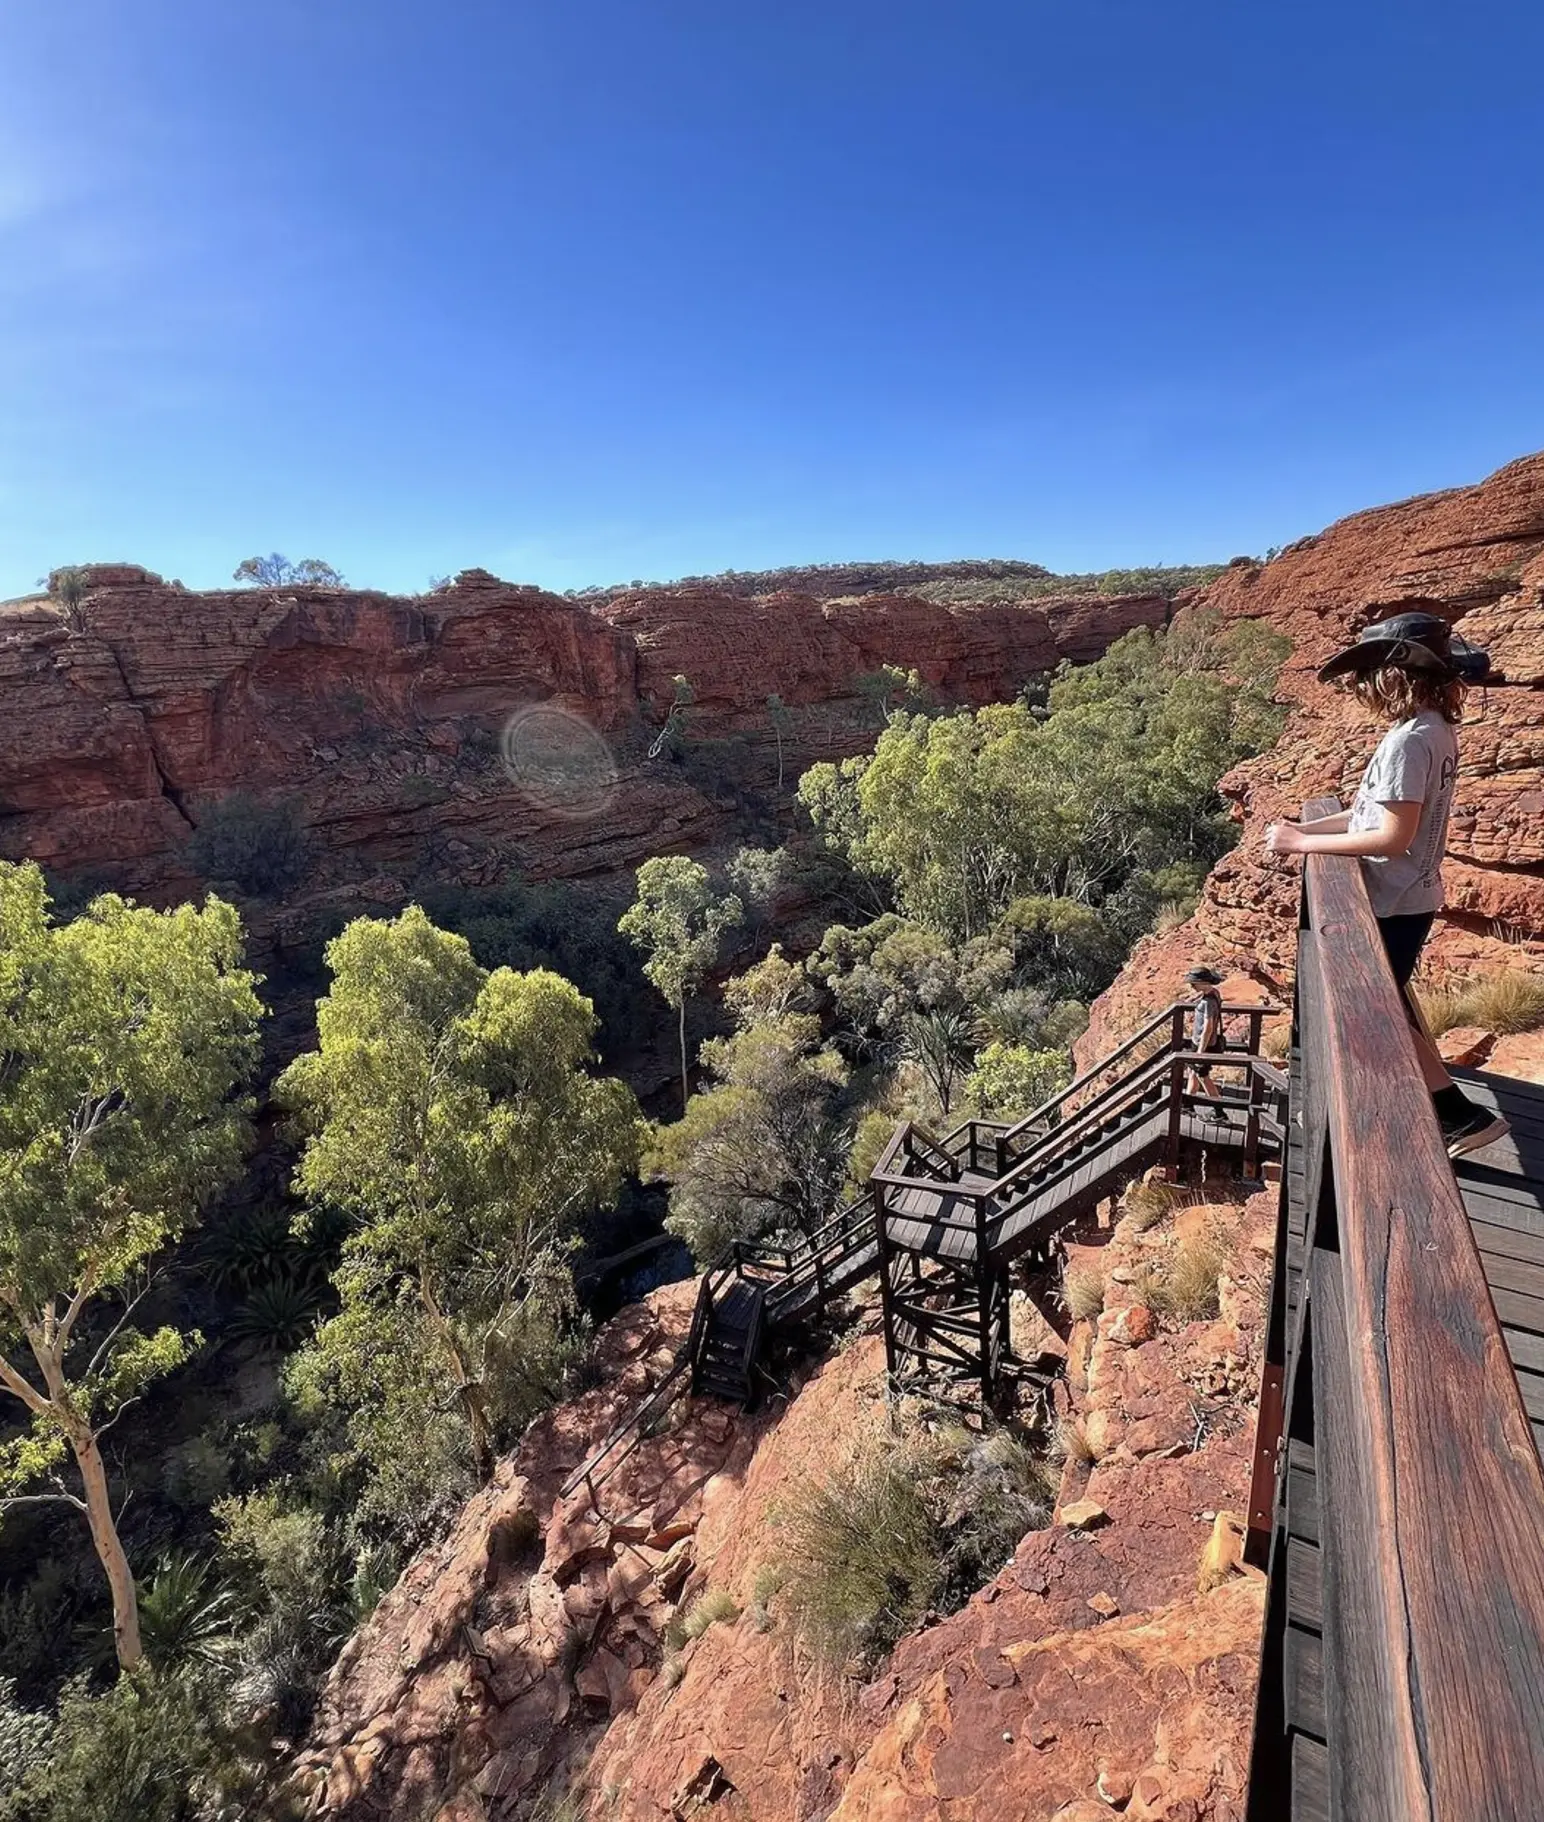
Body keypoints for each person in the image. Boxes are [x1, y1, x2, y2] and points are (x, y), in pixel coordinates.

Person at [1262, 608, 1509, 1160]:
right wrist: (1305, 826)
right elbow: (1364, 813)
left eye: (1366, 673)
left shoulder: (1408, 741)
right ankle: (1446, 1111)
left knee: (1383, 1011)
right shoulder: (1433, 730)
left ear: (1394, 676)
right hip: (1412, 896)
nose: (1359, 685)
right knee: (1390, 1004)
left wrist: (1301, 845)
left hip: (1393, 900)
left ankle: (1457, 1116)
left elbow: (1391, 836)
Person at [1184, 965, 1225, 1110]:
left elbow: (1208, 1027)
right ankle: (1188, 1103)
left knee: (1203, 1075)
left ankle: (1218, 1110)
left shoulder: (1208, 1002)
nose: (1192, 986)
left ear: (1203, 983)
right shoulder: (1214, 993)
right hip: (1202, 1043)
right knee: (1193, 1072)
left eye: (1194, 983)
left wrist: (1200, 1052)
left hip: (1204, 1045)